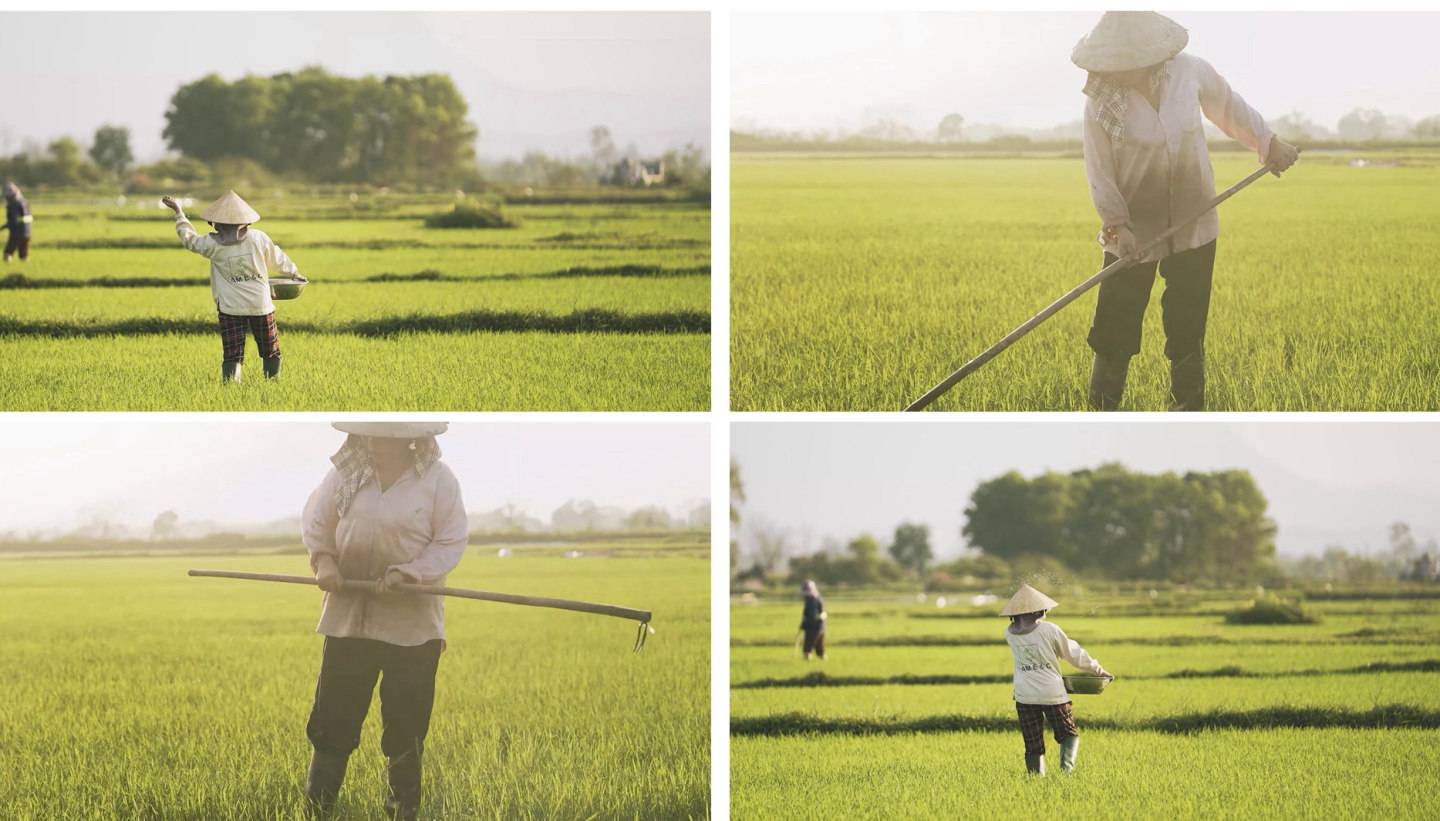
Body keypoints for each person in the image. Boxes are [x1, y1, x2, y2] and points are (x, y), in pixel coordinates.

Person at [1074, 11, 1300, 411]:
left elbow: (1230, 108)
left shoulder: (1189, 72)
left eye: (1126, 63)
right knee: (1116, 324)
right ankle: (1102, 411)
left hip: (1195, 221)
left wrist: (1268, 141)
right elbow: (1099, 170)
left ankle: (1186, 410)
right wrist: (1118, 225)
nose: (1118, 71)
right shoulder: (1101, 100)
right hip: (1132, 233)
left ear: (1151, 56)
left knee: (1187, 321)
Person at [300, 421, 468, 820]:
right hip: (347, 621)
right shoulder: (345, 473)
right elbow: (317, 522)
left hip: (412, 626)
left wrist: (410, 574)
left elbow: (450, 541)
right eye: (367, 435)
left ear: (411, 440)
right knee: (332, 724)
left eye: (384, 436)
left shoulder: (438, 481)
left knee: (405, 727)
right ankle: (316, 812)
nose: (372, 443)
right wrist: (324, 560)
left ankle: (402, 812)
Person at [160, 190, 305, 383]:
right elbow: (278, 259)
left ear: (217, 223)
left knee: (232, 352)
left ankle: (231, 386)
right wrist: (294, 273)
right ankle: (273, 383)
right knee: (270, 348)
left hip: (230, 308)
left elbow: (189, 240)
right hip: (261, 305)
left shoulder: (212, 243)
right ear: (246, 221)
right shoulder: (258, 237)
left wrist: (179, 212)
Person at [1000, 584, 1112, 776]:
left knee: (1032, 743)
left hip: (1024, 694)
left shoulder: (1009, 633)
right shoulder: (1049, 630)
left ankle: (1036, 780)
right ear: (1037, 610)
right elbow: (1073, 654)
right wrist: (1098, 670)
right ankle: (1065, 773)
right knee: (1068, 734)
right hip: (1051, 692)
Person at [3, 182, 32, 262]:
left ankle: (7, 269)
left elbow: (13, 221)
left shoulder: (13, 204)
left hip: (16, 233)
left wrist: (3, 227)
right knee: (24, 255)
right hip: (28, 233)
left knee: (7, 253)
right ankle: (26, 270)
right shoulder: (24, 201)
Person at [799, 579, 827, 660]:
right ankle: (821, 656)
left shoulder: (812, 601)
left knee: (810, 642)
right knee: (819, 644)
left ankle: (808, 656)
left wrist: (805, 625)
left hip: (814, 626)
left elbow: (812, 616)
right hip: (820, 625)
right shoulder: (818, 597)